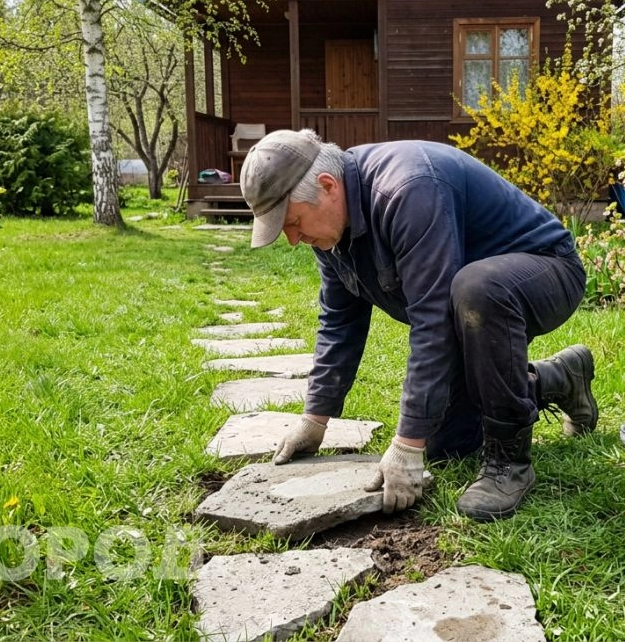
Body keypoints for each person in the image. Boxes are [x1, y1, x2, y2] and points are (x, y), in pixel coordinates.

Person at [238, 129, 598, 522]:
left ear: (327, 187)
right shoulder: (331, 230)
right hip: (469, 306)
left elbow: (433, 320)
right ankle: (559, 379)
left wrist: (407, 445)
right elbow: (339, 322)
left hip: (543, 270)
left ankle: (509, 462)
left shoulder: (407, 190)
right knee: (448, 444)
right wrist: (315, 418)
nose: (292, 239)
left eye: (292, 222)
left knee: (477, 288)